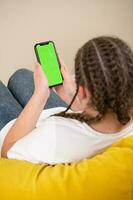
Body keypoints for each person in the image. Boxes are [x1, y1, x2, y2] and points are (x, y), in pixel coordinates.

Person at [0, 36, 133, 164]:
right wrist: (73, 98)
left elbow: (7, 151)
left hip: (15, 131)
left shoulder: (56, 135)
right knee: (21, 75)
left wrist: (40, 95)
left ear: (82, 91)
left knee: (20, 78)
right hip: (64, 115)